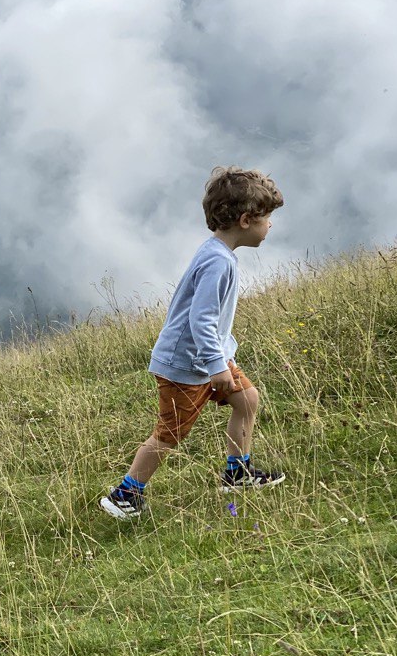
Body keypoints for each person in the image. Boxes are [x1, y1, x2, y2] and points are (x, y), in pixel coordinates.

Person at [101, 166, 287, 520]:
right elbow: (200, 319)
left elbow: (210, 320)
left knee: (247, 399)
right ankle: (125, 494)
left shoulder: (218, 254)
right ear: (246, 220)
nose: (270, 225)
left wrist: (224, 357)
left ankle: (237, 473)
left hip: (209, 358)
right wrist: (217, 366)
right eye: (266, 218)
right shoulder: (217, 262)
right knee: (170, 434)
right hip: (186, 366)